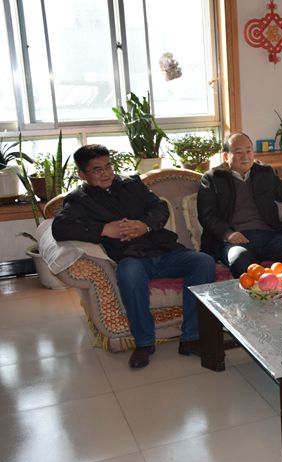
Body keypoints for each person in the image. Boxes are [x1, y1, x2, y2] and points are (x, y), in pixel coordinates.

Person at [52, 144, 216, 369]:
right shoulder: (79, 200)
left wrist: (144, 225)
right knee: (129, 273)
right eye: (97, 170)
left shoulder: (131, 184)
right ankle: (144, 343)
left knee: (203, 262)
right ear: (82, 174)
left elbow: (159, 207)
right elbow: (59, 228)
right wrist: (104, 229)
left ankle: (191, 337)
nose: (106, 173)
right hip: (131, 257)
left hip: (164, 250)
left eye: (108, 166)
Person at [197, 132, 282, 277]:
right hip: (232, 239)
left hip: (267, 234)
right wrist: (228, 234)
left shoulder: (263, 173)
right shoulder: (213, 178)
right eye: (238, 152)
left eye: (249, 151)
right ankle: (252, 293)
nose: (245, 157)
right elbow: (207, 216)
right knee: (240, 257)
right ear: (226, 157)